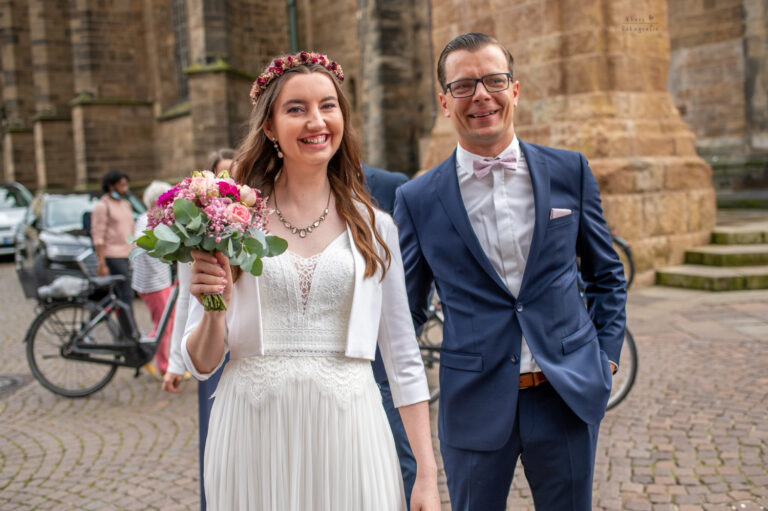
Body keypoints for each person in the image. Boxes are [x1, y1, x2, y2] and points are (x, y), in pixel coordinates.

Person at [181, 52, 440, 510]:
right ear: (269, 126)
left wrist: (426, 475)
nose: (316, 121)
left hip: (350, 428)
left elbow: (402, 358)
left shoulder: (375, 227)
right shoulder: (227, 223)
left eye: (327, 105)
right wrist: (213, 308)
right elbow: (202, 363)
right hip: (253, 429)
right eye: (296, 108)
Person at [393, 33, 627, 510]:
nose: (481, 95)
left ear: (514, 90)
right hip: (473, 403)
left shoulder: (570, 171)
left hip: (565, 395)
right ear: (444, 102)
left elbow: (606, 275)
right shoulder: (416, 200)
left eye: (494, 81)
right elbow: (405, 312)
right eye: (463, 86)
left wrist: (605, 359)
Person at [162, 150, 235, 511]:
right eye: (221, 179)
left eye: (233, 177)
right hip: (209, 346)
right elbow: (185, 300)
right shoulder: (197, 232)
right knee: (215, 439)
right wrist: (177, 363)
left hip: (245, 350)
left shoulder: (248, 223)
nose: (228, 185)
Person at [363, 163, 417, 505]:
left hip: (384, 356)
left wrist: (404, 329)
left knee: (401, 453)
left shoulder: (390, 184)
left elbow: (413, 262)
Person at [132, 180, 174, 375]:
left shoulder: (153, 219)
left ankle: (146, 354)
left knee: (166, 323)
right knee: (163, 326)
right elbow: (144, 249)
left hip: (160, 280)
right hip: (153, 283)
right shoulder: (147, 221)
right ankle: (163, 366)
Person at [91, 169, 136, 338]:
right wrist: (101, 262)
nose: (125, 188)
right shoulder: (102, 206)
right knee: (126, 295)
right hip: (113, 256)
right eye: (121, 185)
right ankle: (130, 334)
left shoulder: (126, 204)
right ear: (111, 186)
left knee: (118, 296)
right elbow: (98, 237)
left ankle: (93, 319)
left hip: (126, 255)